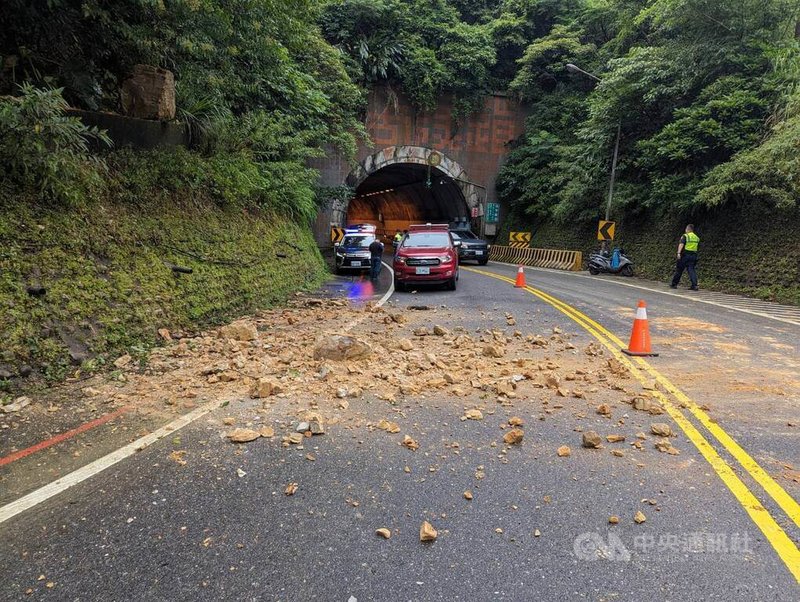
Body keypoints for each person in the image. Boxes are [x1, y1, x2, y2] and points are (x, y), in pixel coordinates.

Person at [670, 224, 700, 290]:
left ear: (687, 229)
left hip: (685, 255)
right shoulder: (696, 237)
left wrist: (678, 253)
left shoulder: (685, 236)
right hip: (693, 255)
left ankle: (674, 284)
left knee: (679, 270)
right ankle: (694, 285)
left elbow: (681, 244)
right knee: (691, 270)